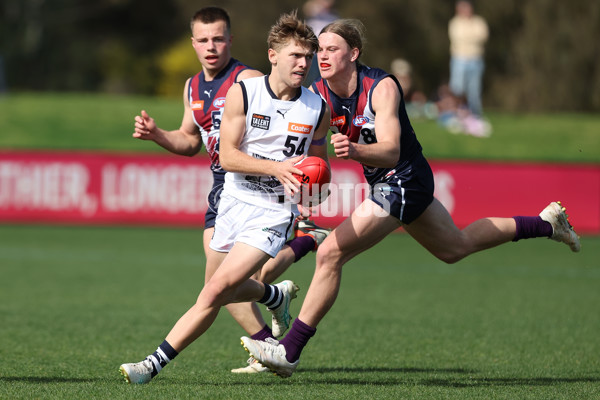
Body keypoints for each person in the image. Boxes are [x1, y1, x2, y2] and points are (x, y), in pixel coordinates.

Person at [241, 18, 581, 378]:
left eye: (332, 49)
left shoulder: (381, 86)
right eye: (319, 50)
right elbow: (317, 151)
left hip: (406, 179)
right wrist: (311, 190)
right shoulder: (320, 95)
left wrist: (355, 150)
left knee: (329, 253)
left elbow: (390, 151)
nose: (321, 56)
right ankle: (545, 224)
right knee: (456, 247)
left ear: (353, 53)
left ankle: (288, 351)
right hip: (386, 186)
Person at [119, 11, 331, 384]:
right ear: (273, 55)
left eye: (308, 57)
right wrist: (276, 168)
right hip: (231, 199)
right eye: (296, 56)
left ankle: (150, 366)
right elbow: (227, 156)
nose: (303, 64)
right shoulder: (246, 92)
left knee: (216, 290)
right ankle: (274, 299)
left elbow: (319, 164)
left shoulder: (317, 108)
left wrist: (313, 196)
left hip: (272, 212)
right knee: (219, 289)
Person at [448, 0, 488, 117]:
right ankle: (456, 114)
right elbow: (458, 38)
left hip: (476, 59)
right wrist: (472, 38)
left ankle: (475, 115)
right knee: (457, 88)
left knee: (474, 90)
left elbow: (483, 36)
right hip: (459, 59)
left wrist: (469, 38)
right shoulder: (455, 23)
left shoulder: (479, 22)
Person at [302, 0, 339, 86]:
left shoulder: (334, 16)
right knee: (312, 79)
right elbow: (307, 9)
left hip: (329, 53)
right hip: (313, 53)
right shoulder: (314, 11)